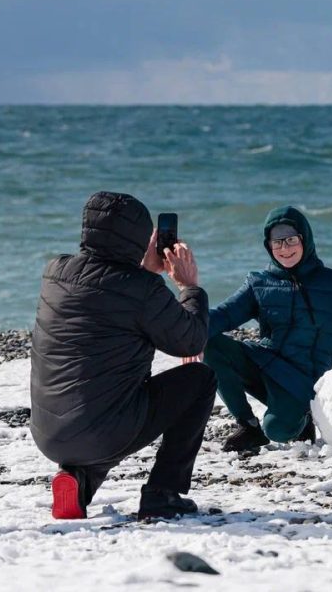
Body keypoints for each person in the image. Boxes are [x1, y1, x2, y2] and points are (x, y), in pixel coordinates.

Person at [30, 192, 215, 520]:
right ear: (140, 238)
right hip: (102, 432)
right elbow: (190, 341)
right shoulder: (142, 290)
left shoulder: (54, 272)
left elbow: (110, 296)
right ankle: (162, 493)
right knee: (200, 379)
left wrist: (143, 271)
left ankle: (77, 483)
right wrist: (189, 288)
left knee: (103, 399)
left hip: (48, 433)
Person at [204, 206, 332, 452]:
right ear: (268, 245)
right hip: (266, 362)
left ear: (305, 239)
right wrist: (182, 324)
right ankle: (248, 426)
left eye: (291, 240)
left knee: (277, 430)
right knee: (209, 343)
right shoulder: (259, 282)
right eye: (277, 242)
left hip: (306, 380)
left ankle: (304, 419)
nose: (285, 248)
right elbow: (225, 314)